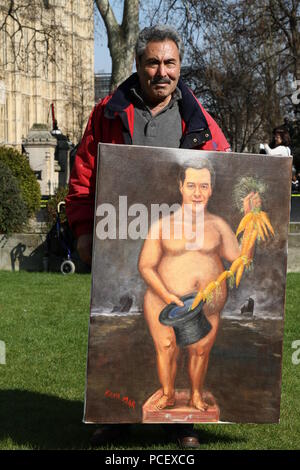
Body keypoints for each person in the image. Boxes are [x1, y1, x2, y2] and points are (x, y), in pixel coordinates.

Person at [66, 24, 231, 449]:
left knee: (185, 339)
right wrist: (83, 230)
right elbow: (84, 176)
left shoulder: (199, 120)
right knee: (118, 327)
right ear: (139, 66)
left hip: (176, 241)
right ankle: (114, 417)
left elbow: (228, 174)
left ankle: (181, 424)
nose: (162, 72)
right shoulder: (107, 112)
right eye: (153, 62)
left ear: (179, 67)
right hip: (120, 236)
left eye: (170, 63)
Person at [138, 159, 260, 412]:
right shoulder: (163, 225)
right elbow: (146, 266)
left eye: (204, 186)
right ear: (181, 186)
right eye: (192, 185)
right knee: (167, 349)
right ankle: (168, 394)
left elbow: (241, 260)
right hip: (163, 302)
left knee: (200, 351)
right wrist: (167, 294)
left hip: (207, 305)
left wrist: (252, 219)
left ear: (211, 189)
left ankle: (195, 395)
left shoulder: (218, 226)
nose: (197, 193)